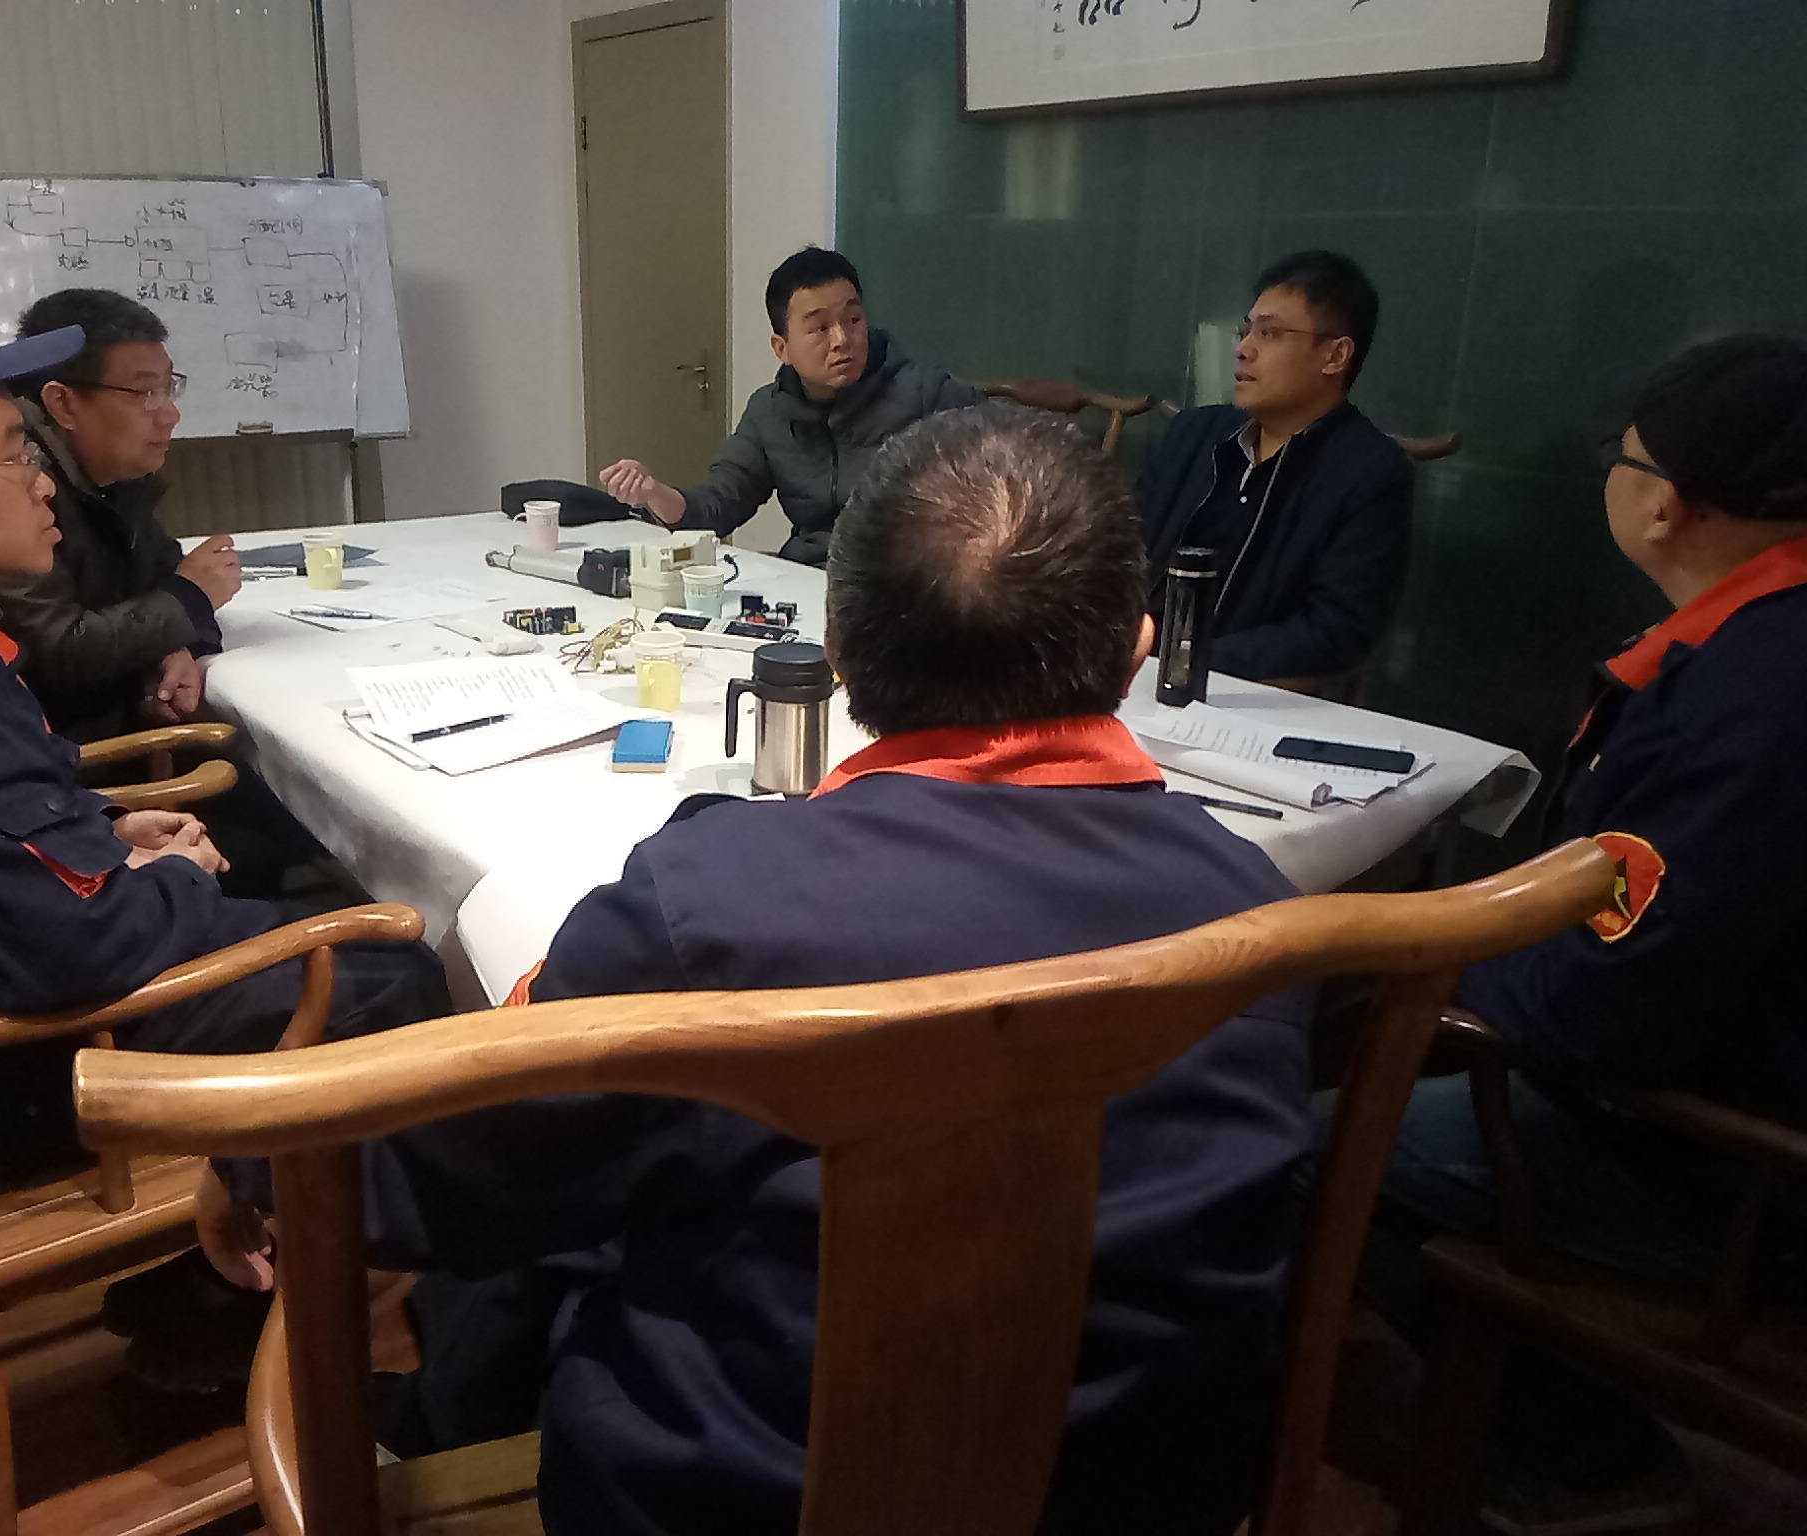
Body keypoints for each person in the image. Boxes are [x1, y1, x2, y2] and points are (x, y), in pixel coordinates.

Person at [212, 404, 1316, 1535]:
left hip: (734, 1501)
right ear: (1137, 651)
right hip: (1144, 1500)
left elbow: (438, 1180)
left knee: (591, 1192)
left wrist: (249, 1160)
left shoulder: (709, 909)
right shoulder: (1263, 916)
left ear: (835, 653)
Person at [0, 303, 453, 1172]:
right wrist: (171, 876)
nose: (44, 483)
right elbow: (71, 950)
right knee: (397, 959)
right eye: (16, 455)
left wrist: (107, 829)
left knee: (319, 911)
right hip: (26, 1063)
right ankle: (302, 1242)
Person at [1368, 336, 1807, 1529]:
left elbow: (1608, 1010)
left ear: (1664, 504)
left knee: (1301, 1140)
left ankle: (1583, 1458)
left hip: (1723, 1167)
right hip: (1704, 1076)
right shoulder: (1749, 646)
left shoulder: (1754, 703)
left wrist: (1450, 970)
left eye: (1621, 454)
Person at [598, 246, 983, 565]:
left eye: (853, 319)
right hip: (809, 577)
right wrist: (653, 493)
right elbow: (719, 505)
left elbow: (1006, 449)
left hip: (900, 584)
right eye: (820, 328)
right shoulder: (768, 412)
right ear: (782, 348)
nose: (841, 339)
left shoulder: (925, 393)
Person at [1135, 250, 1414, 683]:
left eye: (1269, 333)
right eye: (1245, 331)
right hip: (1129, 672)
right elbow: (1120, 550)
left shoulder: (1370, 473)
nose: (1243, 350)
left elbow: (1335, 630)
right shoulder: (1192, 434)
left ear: (1335, 356)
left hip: (1240, 694)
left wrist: (1185, 662)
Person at [0, 288, 240, 743]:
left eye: (169, 388)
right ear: (62, 404)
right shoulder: (17, 485)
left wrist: (177, 648)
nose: (171, 414)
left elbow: (161, 578)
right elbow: (53, 654)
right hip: (60, 754)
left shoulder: (117, 471)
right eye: (146, 392)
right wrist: (190, 598)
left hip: (124, 727)